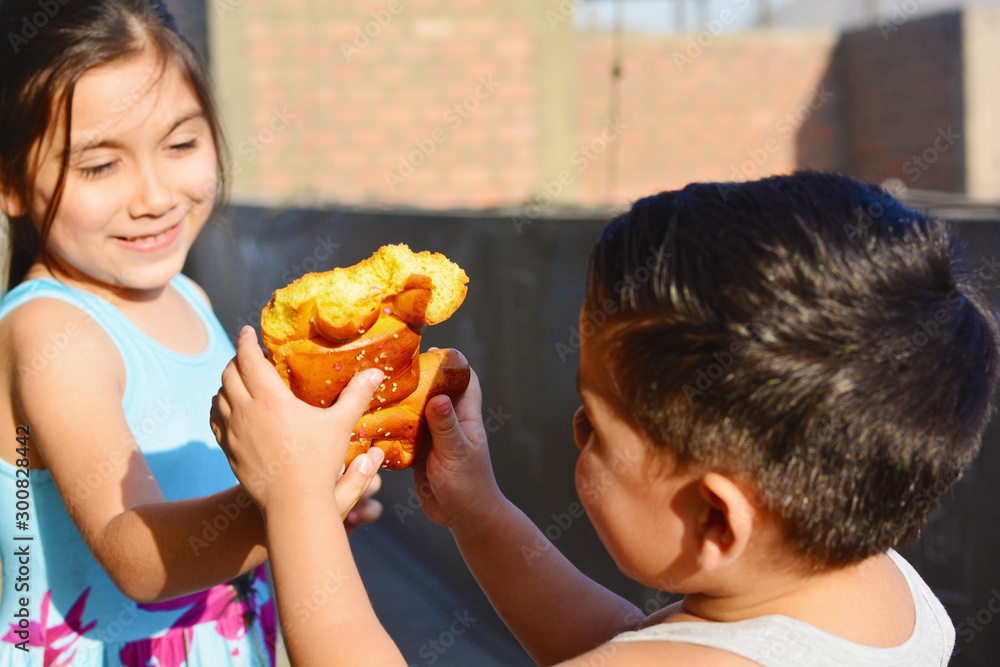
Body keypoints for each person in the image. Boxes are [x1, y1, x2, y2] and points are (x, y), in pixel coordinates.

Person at [211, 171, 999, 666]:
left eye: (594, 424)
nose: (573, 433)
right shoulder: (875, 580)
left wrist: (298, 504)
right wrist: (483, 515)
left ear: (715, 517)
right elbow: (640, 643)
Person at [0, 1, 383, 665]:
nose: (153, 194)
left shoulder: (187, 294)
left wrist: (309, 499)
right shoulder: (51, 331)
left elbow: (226, 498)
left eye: (180, 144)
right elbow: (134, 553)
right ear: (11, 183)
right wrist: (294, 501)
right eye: (99, 166)